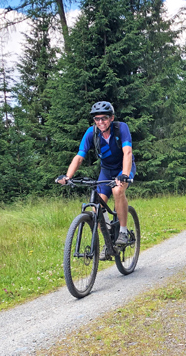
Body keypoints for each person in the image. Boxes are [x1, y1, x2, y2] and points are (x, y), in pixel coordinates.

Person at [57, 101, 135, 259]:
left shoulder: (121, 128)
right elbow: (79, 157)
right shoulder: (91, 133)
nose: (100, 122)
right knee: (96, 208)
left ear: (111, 118)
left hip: (123, 167)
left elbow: (127, 152)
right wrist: (68, 176)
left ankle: (123, 232)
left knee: (118, 189)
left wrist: (124, 174)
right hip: (106, 171)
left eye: (104, 118)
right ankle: (108, 241)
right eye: (97, 119)